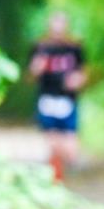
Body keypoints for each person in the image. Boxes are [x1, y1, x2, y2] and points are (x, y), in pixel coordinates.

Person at [28, 11, 86, 182]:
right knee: (53, 143)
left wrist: (77, 81)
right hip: (47, 98)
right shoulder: (40, 47)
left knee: (70, 148)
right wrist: (37, 68)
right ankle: (56, 179)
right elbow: (31, 76)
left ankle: (62, 171)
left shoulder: (74, 48)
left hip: (68, 100)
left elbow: (83, 72)